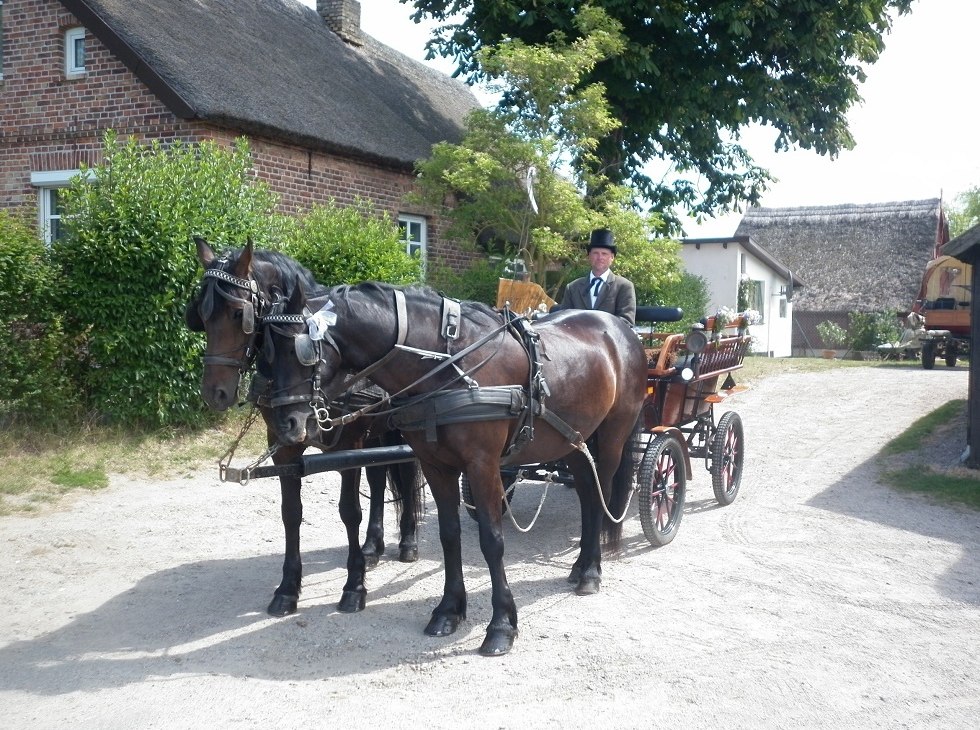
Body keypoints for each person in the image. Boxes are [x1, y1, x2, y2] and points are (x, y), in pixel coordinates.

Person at [559, 228, 636, 325]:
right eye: (596, 253)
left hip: (608, 339)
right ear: (589, 256)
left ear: (612, 257)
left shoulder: (624, 286)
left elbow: (626, 322)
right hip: (577, 339)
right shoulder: (572, 288)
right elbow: (563, 320)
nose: (600, 258)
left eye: (604, 254)